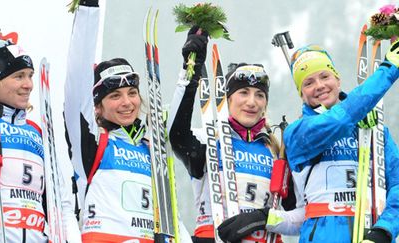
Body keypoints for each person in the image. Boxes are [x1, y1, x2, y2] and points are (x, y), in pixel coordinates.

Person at [63, 1, 193, 242]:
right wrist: (88, 11)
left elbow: (171, 214)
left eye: (132, 93)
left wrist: (191, 64)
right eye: (114, 96)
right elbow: (75, 87)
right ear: (97, 107)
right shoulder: (91, 143)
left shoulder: (151, 145)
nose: (127, 102)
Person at [168, 27, 297, 243]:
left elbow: (298, 213)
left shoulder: (277, 150)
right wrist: (190, 70)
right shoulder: (208, 140)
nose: (252, 102)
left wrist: (262, 218)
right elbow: (177, 135)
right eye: (243, 93)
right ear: (226, 100)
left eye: (259, 95)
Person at [0, 1, 81, 242]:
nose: (28, 84)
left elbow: (60, 203)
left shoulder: (38, 133)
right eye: (18, 76)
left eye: (29, 76)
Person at [283, 42, 399, 242]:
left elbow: (397, 184)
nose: (319, 86)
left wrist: (384, 231)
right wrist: (388, 69)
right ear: (301, 94)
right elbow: (339, 120)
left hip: (370, 231)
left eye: (325, 76)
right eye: (308, 83)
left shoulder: (374, 131)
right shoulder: (296, 133)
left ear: (338, 79)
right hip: (323, 234)